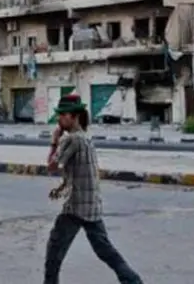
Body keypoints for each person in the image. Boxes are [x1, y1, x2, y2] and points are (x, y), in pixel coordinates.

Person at [44, 94, 144, 284]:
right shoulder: (86, 139)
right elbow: (79, 173)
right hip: (92, 206)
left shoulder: (71, 139)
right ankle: (133, 281)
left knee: (54, 252)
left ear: (74, 116)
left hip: (76, 207)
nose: (59, 119)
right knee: (105, 251)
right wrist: (62, 187)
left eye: (62, 115)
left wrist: (54, 141)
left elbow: (52, 166)